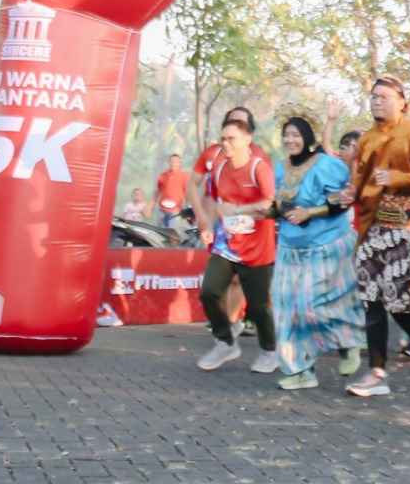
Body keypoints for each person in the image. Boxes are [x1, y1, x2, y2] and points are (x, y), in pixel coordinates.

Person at [342, 78, 410, 400]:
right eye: (374, 96)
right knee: (371, 299)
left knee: (398, 300)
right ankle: (377, 373)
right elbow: (361, 181)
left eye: (384, 97)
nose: (377, 101)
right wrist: (350, 194)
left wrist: (399, 177)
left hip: (405, 228)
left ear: (402, 102)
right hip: (373, 228)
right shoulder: (367, 138)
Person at [269, 116, 364, 391]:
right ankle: (299, 370)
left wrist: (309, 212)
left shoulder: (326, 165)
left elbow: (343, 202)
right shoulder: (279, 168)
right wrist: (257, 210)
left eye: (296, 135)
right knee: (284, 306)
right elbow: (276, 204)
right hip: (290, 248)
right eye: (287, 135)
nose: (290, 140)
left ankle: (347, 342)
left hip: (326, 246)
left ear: (308, 138)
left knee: (310, 305)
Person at [193, 114, 280, 375]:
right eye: (223, 139)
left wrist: (240, 210)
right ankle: (225, 341)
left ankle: (270, 350)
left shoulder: (259, 167)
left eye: (231, 139)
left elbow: (271, 205)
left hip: (257, 248)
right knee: (208, 292)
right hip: (227, 244)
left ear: (247, 139)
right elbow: (214, 201)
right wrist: (208, 226)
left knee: (258, 306)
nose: (225, 144)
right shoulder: (219, 168)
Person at [155, 154, 192, 232]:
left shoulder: (184, 176)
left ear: (179, 163)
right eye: (172, 161)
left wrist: (188, 210)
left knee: (172, 233)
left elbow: (188, 194)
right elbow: (157, 191)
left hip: (175, 211)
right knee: (160, 233)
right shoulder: (163, 175)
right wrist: (151, 205)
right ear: (169, 162)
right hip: (162, 211)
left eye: (176, 162)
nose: (173, 163)